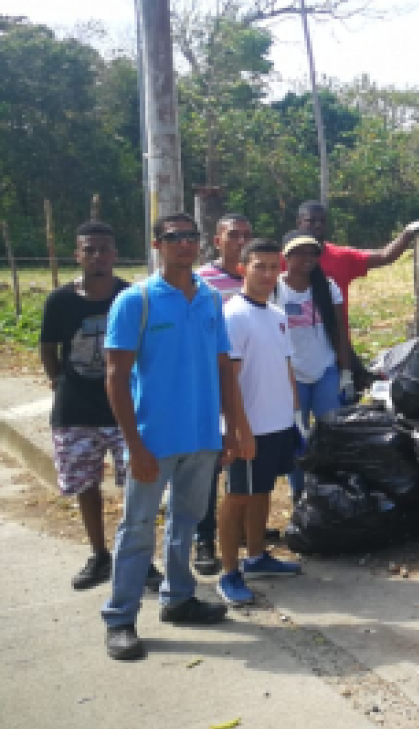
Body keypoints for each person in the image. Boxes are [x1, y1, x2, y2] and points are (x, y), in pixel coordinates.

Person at [101, 213, 253, 661]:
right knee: (137, 530)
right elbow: (115, 377)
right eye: (173, 237)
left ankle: (179, 598)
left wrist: (229, 430)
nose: (184, 244)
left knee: (185, 525)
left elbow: (224, 366)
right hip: (153, 441)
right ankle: (121, 618)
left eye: (190, 237)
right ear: (157, 244)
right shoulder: (138, 301)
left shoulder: (208, 299)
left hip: (203, 437)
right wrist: (134, 445)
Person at [39, 222, 161, 591]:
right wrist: (61, 380)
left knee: (139, 487)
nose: (97, 257)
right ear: (77, 255)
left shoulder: (133, 296)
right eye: (88, 250)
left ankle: (141, 558)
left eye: (103, 249)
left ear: (115, 254)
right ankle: (99, 554)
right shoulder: (60, 301)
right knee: (85, 485)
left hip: (126, 409)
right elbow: (48, 348)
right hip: (75, 411)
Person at [216, 239, 303, 607]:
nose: (267, 274)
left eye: (273, 267)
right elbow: (229, 377)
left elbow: (285, 368)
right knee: (237, 497)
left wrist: (295, 418)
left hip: (278, 425)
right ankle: (228, 572)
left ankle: (256, 556)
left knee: (262, 491)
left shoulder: (277, 316)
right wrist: (239, 429)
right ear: (243, 268)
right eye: (259, 266)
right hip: (247, 428)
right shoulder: (233, 315)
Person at [296, 201, 419, 397]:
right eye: (311, 221)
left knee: (339, 411)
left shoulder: (340, 257)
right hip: (296, 350)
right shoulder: (280, 261)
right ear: (299, 223)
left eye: (322, 221)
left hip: (336, 348)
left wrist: (407, 234)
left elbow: (383, 256)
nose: (317, 226)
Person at [192, 213, 254, 576]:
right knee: (211, 466)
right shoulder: (202, 282)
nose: (241, 241)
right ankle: (204, 538)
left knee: (247, 459)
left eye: (247, 235)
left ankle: (245, 530)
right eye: (234, 235)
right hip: (214, 386)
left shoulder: (260, 277)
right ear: (218, 241)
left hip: (251, 386)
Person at [275, 230, 351, 499]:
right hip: (292, 374)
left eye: (312, 253)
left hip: (326, 370)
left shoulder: (327, 286)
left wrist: (346, 371)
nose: (307, 258)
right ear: (286, 256)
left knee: (330, 431)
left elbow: (340, 330)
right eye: (299, 252)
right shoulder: (276, 290)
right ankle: (300, 493)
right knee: (297, 436)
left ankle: (329, 489)